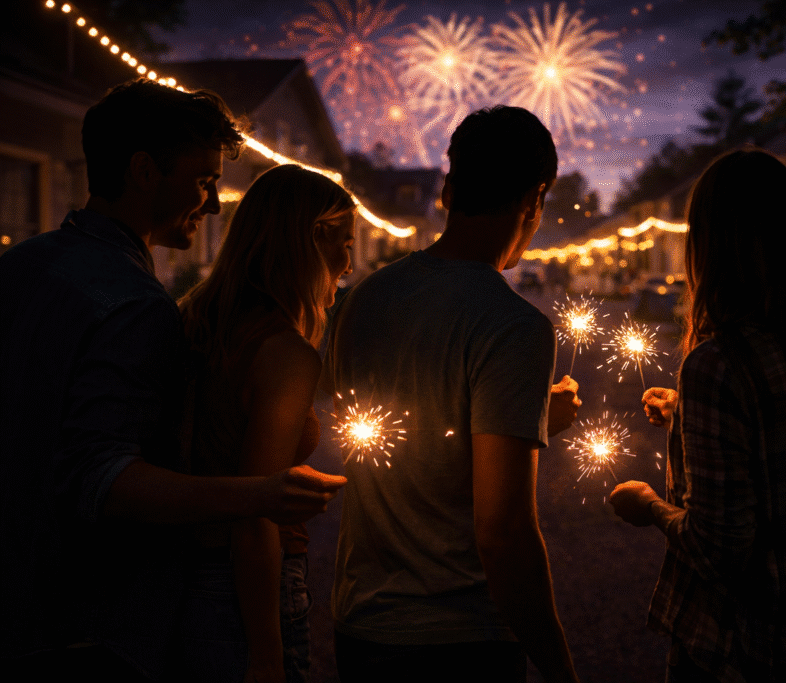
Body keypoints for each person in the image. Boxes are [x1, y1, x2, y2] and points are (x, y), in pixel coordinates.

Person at [0, 80, 345, 681]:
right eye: (204, 180)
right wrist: (259, 494)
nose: (212, 205)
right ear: (143, 170)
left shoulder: (22, 265)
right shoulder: (135, 305)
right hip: (82, 615)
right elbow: (102, 476)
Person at [323, 105, 581, 683]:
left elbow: (398, 444)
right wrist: (560, 667)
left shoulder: (365, 298)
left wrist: (527, 418)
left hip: (362, 624)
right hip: (461, 641)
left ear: (447, 189)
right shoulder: (513, 326)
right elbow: (503, 531)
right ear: (534, 199)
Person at [609, 149, 786, 682]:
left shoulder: (718, 365)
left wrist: (651, 506)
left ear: (711, 244)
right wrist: (691, 415)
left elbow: (721, 548)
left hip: (746, 650)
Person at [174, 164, 356, 683]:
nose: (348, 265)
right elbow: (256, 514)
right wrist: (266, 655)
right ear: (313, 238)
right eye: (344, 244)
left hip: (183, 565)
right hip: (243, 587)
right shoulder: (285, 352)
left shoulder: (199, 316)